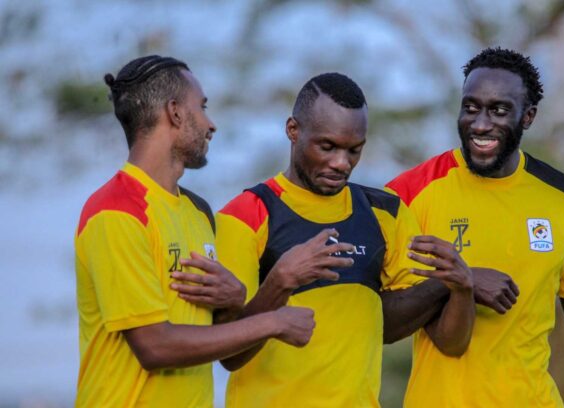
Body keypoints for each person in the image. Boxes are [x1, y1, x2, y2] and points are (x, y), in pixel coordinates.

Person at [214, 72, 475, 407]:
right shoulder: (245, 216)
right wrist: (281, 282)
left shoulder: (386, 213)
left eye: (354, 150)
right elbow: (229, 356)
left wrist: (457, 283)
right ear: (293, 130)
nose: (341, 163)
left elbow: (395, 325)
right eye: (327, 147)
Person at [386, 48, 564, 407]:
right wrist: (456, 280)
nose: (481, 124)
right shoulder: (407, 194)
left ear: (528, 116)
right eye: (471, 107)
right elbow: (382, 324)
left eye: (499, 110)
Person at [74, 55, 316, 407]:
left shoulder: (199, 212)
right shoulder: (116, 211)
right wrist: (274, 322)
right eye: (201, 107)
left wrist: (237, 299)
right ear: (174, 112)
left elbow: (223, 344)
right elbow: (154, 346)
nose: (210, 124)